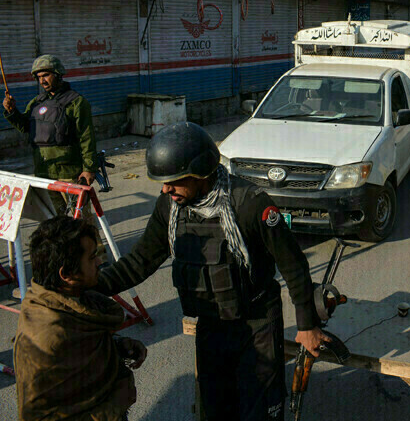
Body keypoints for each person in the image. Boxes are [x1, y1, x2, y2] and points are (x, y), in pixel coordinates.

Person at [93, 122, 326, 420]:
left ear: (201, 171)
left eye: (174, 181)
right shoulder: (171, 206)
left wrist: (307, 325)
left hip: (256, 324)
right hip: (211, 326)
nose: (165, 189)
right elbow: (140, 261)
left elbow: (293, 265)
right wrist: (89, 286)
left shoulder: (250, 204)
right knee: (214, 410)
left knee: (260, 410)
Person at [15, 216, 147, 421]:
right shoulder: (46, 339)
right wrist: (115, 404)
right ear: (66, 274)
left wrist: (117, 345)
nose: (99, 262)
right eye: (92, 257)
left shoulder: (71, 300)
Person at [3, 55, 98, 214]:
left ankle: (92, 240)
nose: (42, 81)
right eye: (38, 77)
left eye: (46, 75)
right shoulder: (36, 102)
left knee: (80, 219)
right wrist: (12, 112)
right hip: (44, 172)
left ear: (58, 74)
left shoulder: (77, 102)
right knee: (55, 219)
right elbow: (26, 127)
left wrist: (89, 168)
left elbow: (86, 137)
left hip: (69, 174)